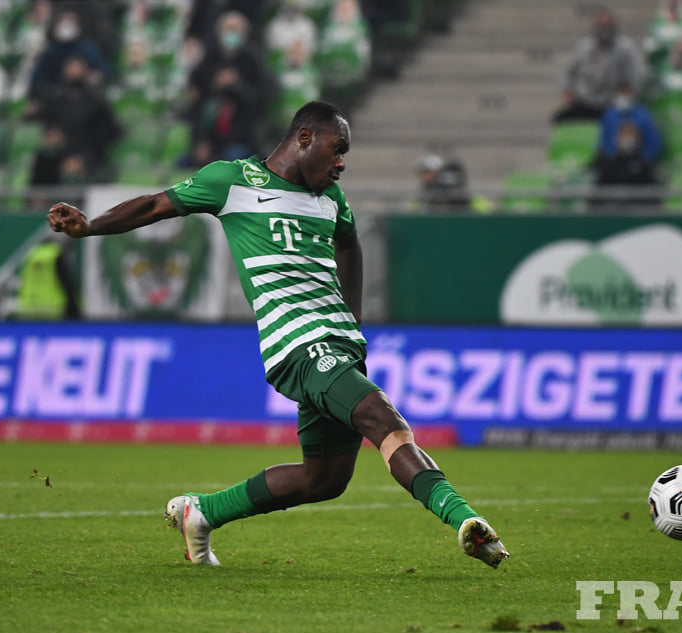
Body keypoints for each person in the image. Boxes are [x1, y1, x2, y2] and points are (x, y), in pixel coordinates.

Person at [46, 101, 509, 570]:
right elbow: (154, 205)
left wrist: (351, 318)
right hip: (297, 346)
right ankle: (465, 520)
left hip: (338, 346)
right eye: (337, 149)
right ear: (305, 138)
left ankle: (201, 512)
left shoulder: (331, 199)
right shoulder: (233, 180)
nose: (341, 163)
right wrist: (91, 226)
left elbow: (349, 243)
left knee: (324, 480)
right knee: (381, 418)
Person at [553, 7, 645, 122]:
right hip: (586, 101)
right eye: (601, 25)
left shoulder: (626, 49)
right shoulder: (584, 46)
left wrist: (626, 93)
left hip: (613, 104)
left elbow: (637, 77)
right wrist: (568, 91)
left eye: (608, 26)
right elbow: (567, 71)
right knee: (560, 119)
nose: (605, 30)